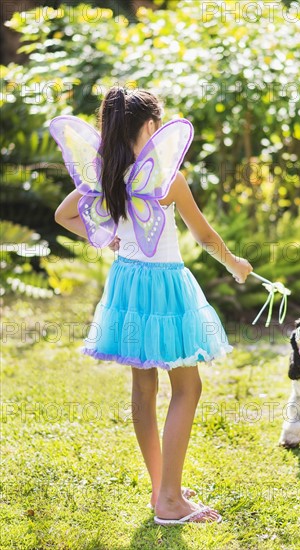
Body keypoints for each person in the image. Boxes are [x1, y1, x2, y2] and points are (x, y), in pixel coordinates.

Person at [54, 86, 253, 525]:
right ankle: (169, 501)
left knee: (144, 389)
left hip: (126, 285)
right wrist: (237, 264)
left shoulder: (103, 175)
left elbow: (64, 215)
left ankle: (161, 488)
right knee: (188, 388)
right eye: (157, 123)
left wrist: (109, 242)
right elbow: (203, 236)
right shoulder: (165, 178)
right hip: (164, 287)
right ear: (148, 125)